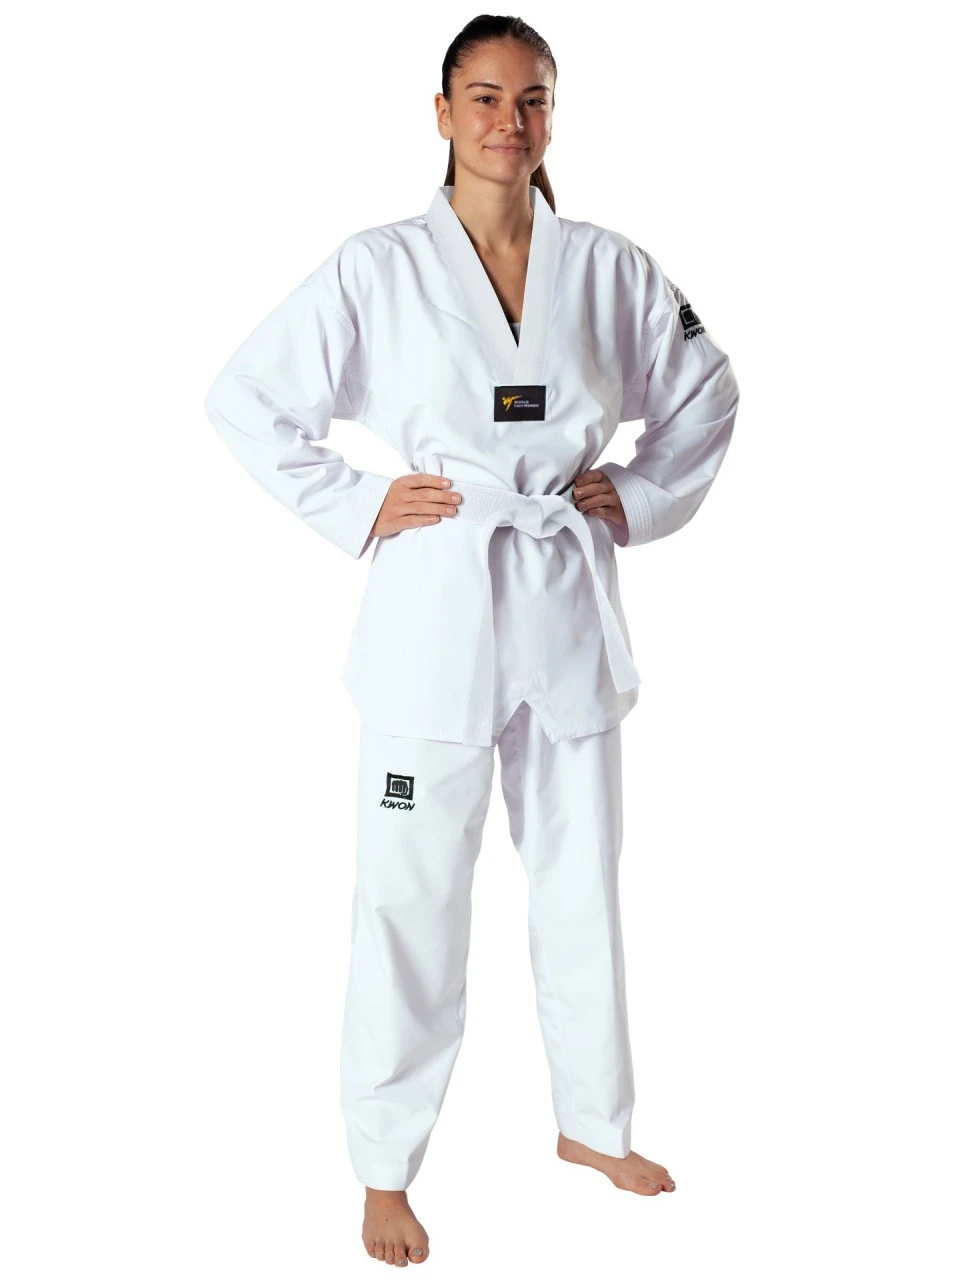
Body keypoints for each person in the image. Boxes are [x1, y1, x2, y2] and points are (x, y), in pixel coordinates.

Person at [204, 13, 738, 1267]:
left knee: (581, 874)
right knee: (409, 894)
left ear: (555, 115)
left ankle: (593, 1122)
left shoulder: (609, 266)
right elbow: (245, 396)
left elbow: (709, 389)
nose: (511, 121)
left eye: (533, 98)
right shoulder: (378, 266)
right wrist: (357, 503)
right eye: (487, 97)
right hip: (433, 606)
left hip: (562, 595)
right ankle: (384, 1167)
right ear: (441, 113)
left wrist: (635, 494)